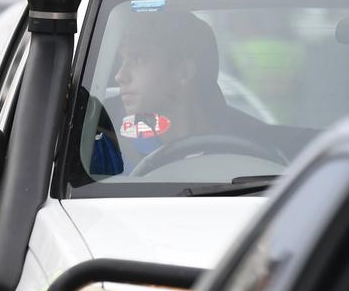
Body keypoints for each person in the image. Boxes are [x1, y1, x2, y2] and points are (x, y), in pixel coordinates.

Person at [90, 10, 273, 176]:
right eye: (123, 60)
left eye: (138, 59)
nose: (120, 75)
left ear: (184, 72)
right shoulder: (107, 153)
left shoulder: (249, 153)